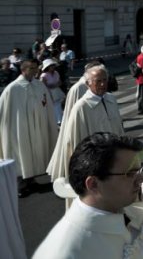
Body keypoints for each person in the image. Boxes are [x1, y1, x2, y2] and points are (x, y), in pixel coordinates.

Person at [33, 133, 143, 259]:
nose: (141, 180)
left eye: (139, 171)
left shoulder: (128, 210)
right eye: (130, 174)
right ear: (93, 184)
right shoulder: (67, 251)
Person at [46, 66, 125, 207]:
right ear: (88, 83)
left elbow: (119, 129)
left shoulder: (111, 99)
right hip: (95, 167)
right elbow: (76, 143)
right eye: (98, 81)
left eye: (104, 80)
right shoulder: (81, 108)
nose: (102, 84)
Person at [0, 59, 58, 197]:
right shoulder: (13, 88)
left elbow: (46, 103)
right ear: (23, 70)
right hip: (19, 128)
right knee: (21, 153)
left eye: (36, 67)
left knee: (33, 153)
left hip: (37, 125)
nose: (35, 70)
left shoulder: (39, 85)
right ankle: (20, 185)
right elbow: (2, 109)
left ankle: (30, 180)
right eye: (31, 68)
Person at [40, 58, 66, 125]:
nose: (53, 67)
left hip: (57, 92)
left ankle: (60, 119)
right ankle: (55, 120)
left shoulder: (56, 73)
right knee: (53, 107)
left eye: (53, 65)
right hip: (49, 93)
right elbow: (43, 86)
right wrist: (51, 87)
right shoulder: (44, 76)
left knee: (58, 106)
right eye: (51, 66)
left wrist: (56, 85)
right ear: (47, 67)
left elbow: (60, 82)